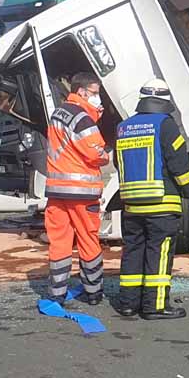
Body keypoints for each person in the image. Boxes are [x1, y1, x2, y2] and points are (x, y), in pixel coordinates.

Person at [113, 79, 189, 320]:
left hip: (131, 205)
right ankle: (155, 306)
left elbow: (118, 163)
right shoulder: (166, 125)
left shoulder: (123, 127)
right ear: (165, 101)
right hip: (162, 204)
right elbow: (178, 164)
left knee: (133, 252)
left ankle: (128, 304)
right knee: (158, 254)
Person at [44, 71, 110, 305]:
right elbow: (95, 153)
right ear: (81, 92)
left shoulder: (58, 113)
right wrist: (106, 157)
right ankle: (93, 291)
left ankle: (57, 293)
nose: (98, 98)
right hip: (82, 191)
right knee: (87, 239)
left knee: (59, 242)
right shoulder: (81, 118)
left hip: (57, 190)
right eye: (95, 93)